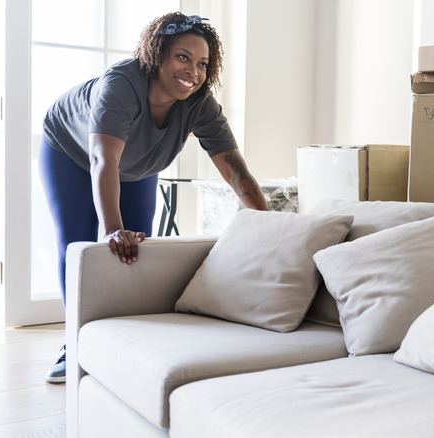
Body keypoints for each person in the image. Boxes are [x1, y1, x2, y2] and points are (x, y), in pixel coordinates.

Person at [39, 12, 268, 383]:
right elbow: (102, 159)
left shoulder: (199, 104)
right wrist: (113, 228)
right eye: (182, 57)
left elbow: (234, 168)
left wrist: (268, 222)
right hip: (72, 152)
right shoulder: (121, 85)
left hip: (137, 164)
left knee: (136, 252)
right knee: (78, 246)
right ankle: (74, 342)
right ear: (157, 55)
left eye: (202, 63)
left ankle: (125, 338)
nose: (193, 71)